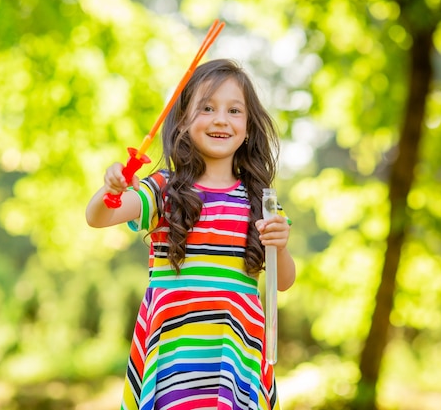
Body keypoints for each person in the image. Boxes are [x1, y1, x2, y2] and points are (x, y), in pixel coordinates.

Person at [86, 58, 296, 410]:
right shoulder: (164, 188)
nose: (220, 119)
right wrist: (112, 186)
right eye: (207, 108)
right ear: (183, 120)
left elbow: (284, 281)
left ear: (248, 128)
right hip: (174, 353)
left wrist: (281, 247)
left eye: (234, 110)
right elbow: (99, 217)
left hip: (235, 355)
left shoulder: (262, 200)